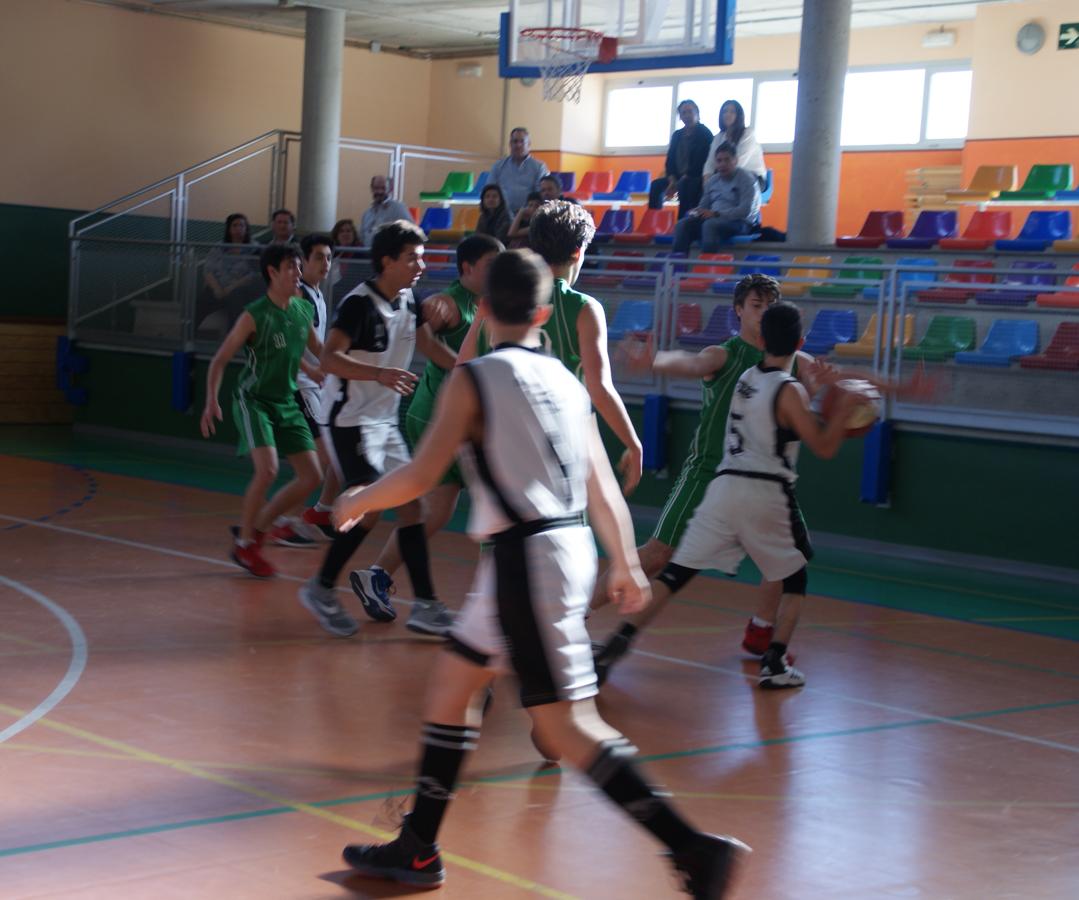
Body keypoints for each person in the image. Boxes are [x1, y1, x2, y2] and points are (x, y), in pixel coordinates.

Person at [333, 249, 749, 898]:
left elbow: (420, 475)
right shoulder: (562, 378)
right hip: (556, 549)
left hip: (526, 561)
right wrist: (622, 558)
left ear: (484, 308)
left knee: (565, 728)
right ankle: (418, 847)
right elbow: (601, 481)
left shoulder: (473, 378)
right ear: (543, 313)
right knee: (452, 689)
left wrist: (359, 498)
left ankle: (691, 847)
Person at [637, 302, 871, 688]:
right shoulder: (758, 371)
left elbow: (812, 395)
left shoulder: (752, 375)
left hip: (730, 483)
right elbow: (820, 442)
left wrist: (655, 360)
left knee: (680, 572)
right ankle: (775, 660)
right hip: (756, 484)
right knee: (792, 574)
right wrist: (841, 411)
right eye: (755, 303)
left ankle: (615, 644)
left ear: (763, 337)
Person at [297, 221, 455, 638]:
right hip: (348, 419)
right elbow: (330, 359)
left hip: (384, 421)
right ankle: (320, 588)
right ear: (387, 261)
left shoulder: (409, 301)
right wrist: (380, 374)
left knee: (412, 508)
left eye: (422, 257)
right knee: (367, 506)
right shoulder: (358, 305)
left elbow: (430, 347)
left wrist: (473, 370)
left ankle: (426, 606)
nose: (421, 265)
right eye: (412, 258)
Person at [350, 233, 504, 634]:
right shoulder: (449, 302)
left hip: (460, 419)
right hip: (436, 415)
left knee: (437, 510)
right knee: (445, 507)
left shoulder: (485, 303)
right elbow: (426, 325)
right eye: (490, 264)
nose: (496, 272)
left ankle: (378, 575)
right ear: (468, 268)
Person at [462, 200, 643, 495]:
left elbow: (462, 368)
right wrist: (632, 443)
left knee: (503, 536)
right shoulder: (584, 308)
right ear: (577, 251)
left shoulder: (501, 299)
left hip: (502, 445)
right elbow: (599, 388)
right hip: (559, 446)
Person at [199, 243, 323, 578]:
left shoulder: (301, 309)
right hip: (255, 400)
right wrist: (212, 400)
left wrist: (320, 371)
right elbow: (220, 359)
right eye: (292, 267)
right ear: (272, 272)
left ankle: (257, 531)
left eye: (299, 267)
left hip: (288, 400)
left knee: (312, 476)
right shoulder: (254, 314)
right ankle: (245, 545)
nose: (299, 273)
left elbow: (312, 349)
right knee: (267, 470)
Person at [260, 233, 342, 548]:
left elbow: (319, 346)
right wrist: (313, 370)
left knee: (332, 456)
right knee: (319, 459)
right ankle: (282, 520)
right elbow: (289, 347)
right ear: (302, 262)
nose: (325, 263)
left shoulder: (316, 296)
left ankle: (318, 511)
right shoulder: (299, 298)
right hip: (299, 387)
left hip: (316, 385)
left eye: (329, 257)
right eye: (318, 257)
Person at [672, 144, 760, 254]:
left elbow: (745, 211)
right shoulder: (712, 181)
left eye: (727, 160)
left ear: (735, 161)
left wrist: (716, 214)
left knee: (710, 225)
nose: (723, 164)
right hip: (714, 219)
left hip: (740, 223)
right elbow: (703, 207)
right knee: (682, 224)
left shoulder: (747, 179)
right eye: (719, 161)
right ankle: (677, 267)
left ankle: (707, 268)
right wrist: (696, 212)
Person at [648, 100, 714, 220]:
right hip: (677, 177)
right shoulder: (677, 135)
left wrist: (684, 178)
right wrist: (672, 180)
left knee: (685, 185)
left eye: (690, 112)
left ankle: (681, 224)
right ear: (680, 116)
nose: (687, 115)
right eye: (683, 113)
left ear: (697, 114)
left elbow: (702, 162)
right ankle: (654, 221)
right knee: (656, 185)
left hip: (697, 178)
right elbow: (670, 161)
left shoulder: (705, 134)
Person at [199, 212, 260, 330]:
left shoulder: (254, 248)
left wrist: (230, 288)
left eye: (242, 225)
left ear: (246, 228)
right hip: (218, 288)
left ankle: (233, 339)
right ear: (229, 228)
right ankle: (190, 337)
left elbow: (254, 274)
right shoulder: (219, 247)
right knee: (201, 301)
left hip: (239, 289)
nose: (238, 228)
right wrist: (217, 289)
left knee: (236, 301)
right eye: (235, 225)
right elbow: (208, 270)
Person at [704, 100, 766, 187]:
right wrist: (706, 181)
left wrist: (715, 181)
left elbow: (738, 162)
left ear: (739, 115)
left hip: (753, 177)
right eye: (724, 111)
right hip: (725, 175)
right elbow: (710, 162)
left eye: (732, 112)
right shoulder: (719, 137)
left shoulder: (748, 133)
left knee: (727, 190)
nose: (727, 114)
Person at [488, 127, 548, 214]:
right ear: (510, 144)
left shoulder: (539, 167)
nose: (518, 145)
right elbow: (489, 190)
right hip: (502, 215)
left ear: (529, 145)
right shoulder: (498, 166)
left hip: (530, 215)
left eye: (522, 141)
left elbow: (541, 195)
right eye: (515, 141)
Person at [360, 176, 413, 246]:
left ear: (390, 189)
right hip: (369, 255)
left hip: (390, 255)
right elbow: (362, 236)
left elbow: (410, 231)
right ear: (372, 189)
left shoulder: (398, 208)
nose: (379, 191)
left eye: (383, 188)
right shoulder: (367, 213)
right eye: (376, 188)